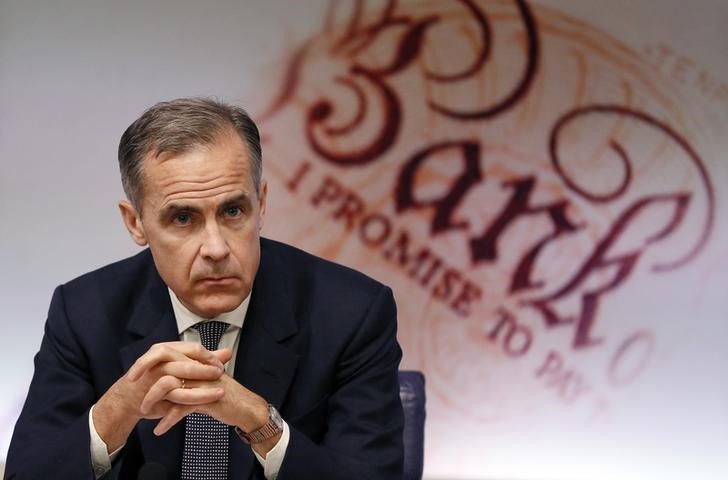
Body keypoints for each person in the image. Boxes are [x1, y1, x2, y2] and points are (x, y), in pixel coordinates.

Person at [5, 98, 404, 479]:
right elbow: (28, 472)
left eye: (233, 211)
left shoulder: (351, 313)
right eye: (182, 218)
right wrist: (118, 411)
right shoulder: (84, 313)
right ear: (136, 223)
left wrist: (261, 423)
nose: (216, 248)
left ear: (261, 204)